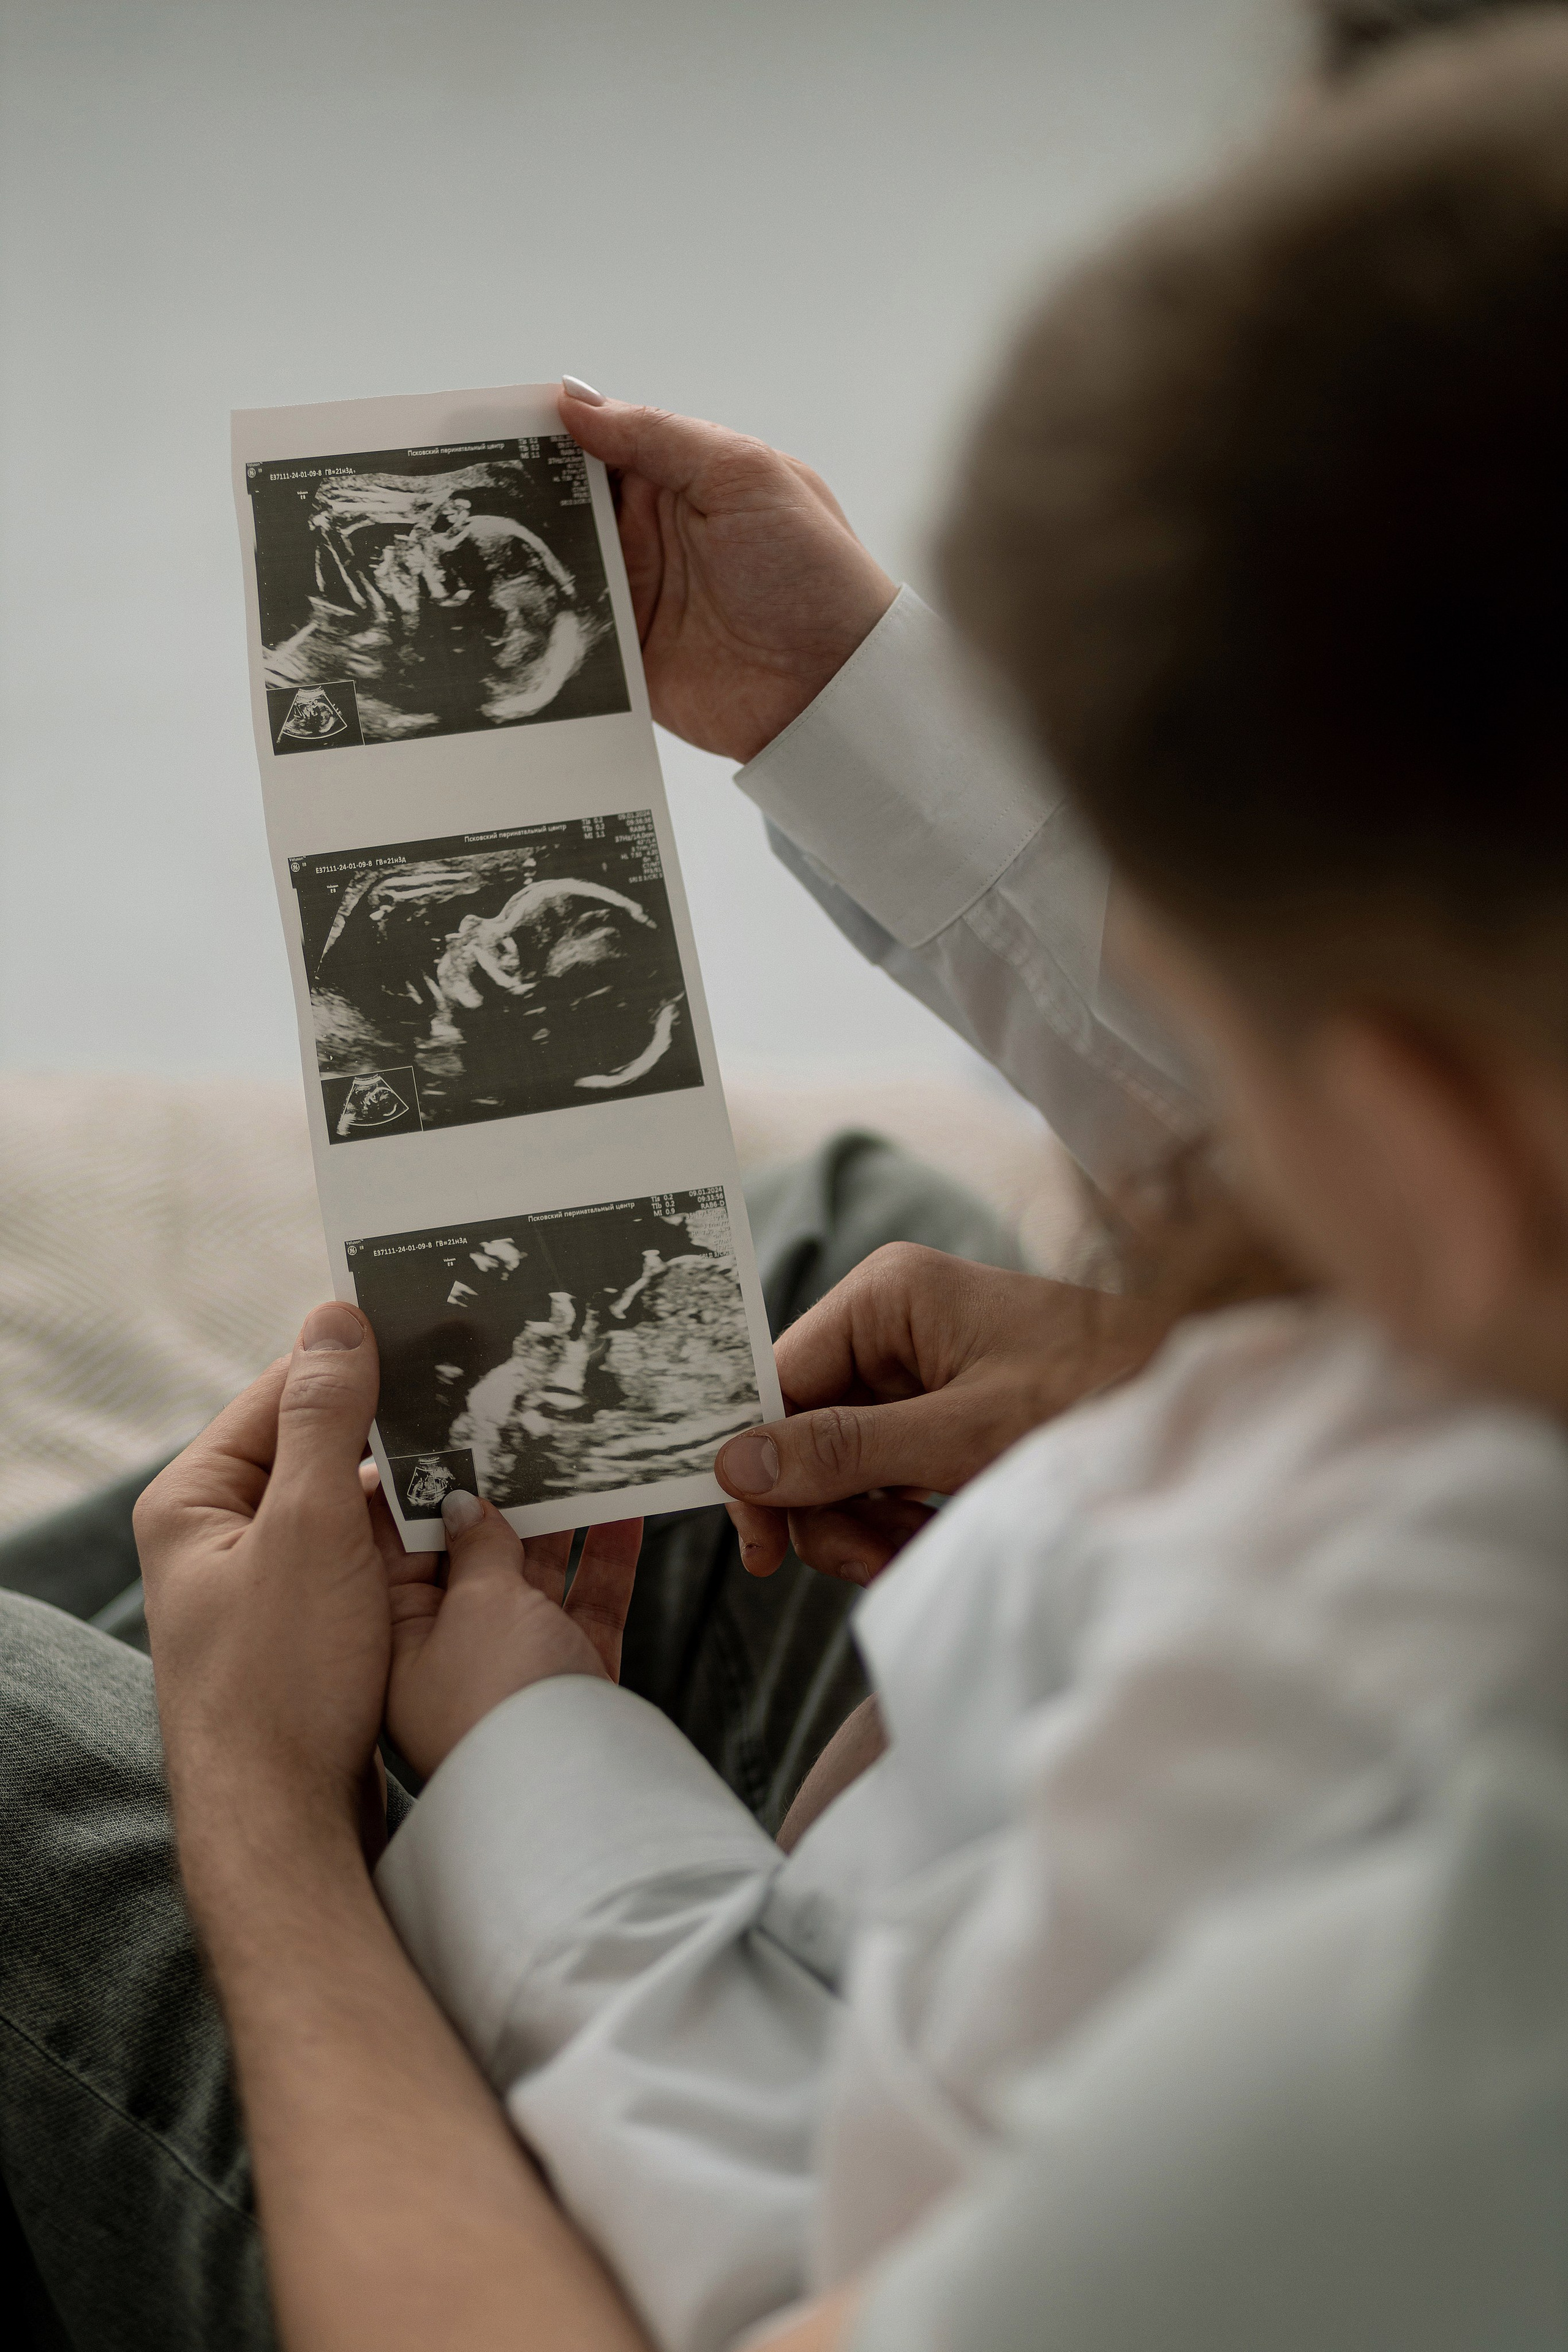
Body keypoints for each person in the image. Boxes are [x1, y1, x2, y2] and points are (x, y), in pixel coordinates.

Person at [13, 9, 1568, 2348]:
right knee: (787, 1252)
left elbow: (765, 2288)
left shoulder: (1423, 2020)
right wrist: (860, 714)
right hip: (951, 1894)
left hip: (680, 2220)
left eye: (1233, 1004)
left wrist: (294, 1814)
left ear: (1444, 1158)